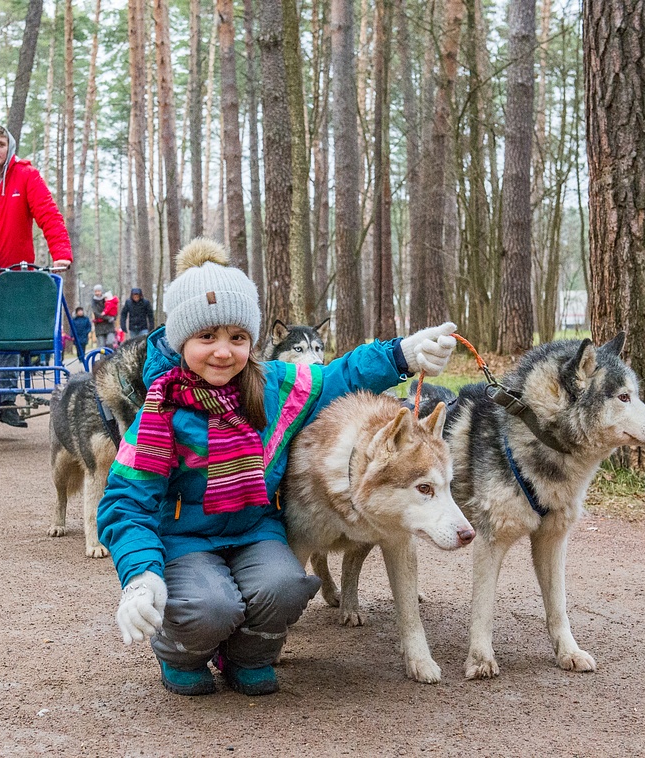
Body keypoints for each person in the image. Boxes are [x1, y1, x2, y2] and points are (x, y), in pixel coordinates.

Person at [95, 238, 457, 697]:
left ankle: (246, 655)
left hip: (253, 531)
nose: (223, 351)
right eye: (207, 337)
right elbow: (126, 501)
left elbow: (339, 377)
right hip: (184, 539)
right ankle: (180, 652)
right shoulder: (159, 409)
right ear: (182, 338)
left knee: (288, 584)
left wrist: (401, 354)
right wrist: (141, 576)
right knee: (211, 606)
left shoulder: (271, 387)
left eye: (237, 337)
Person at [0, 124, 73, 428]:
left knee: (11, 333)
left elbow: (48, 214)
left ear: (10, 147)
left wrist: (61, 252)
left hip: (15, 274)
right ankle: (1, 395)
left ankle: (4, 397)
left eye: (1, 144)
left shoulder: (27, 176)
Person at [91, 284, 117, 349]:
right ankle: (102, 358)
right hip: (99, 327)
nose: (97, 293)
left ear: (101, 291)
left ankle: (111, 357)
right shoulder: (93, 302)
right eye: (96, 291)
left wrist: (113, 317)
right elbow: (96, 313)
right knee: (101, 346)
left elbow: (113, 309)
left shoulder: (107, 299)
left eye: (99, 291)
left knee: (110, 343)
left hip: (109, 326)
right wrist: (108, 318)